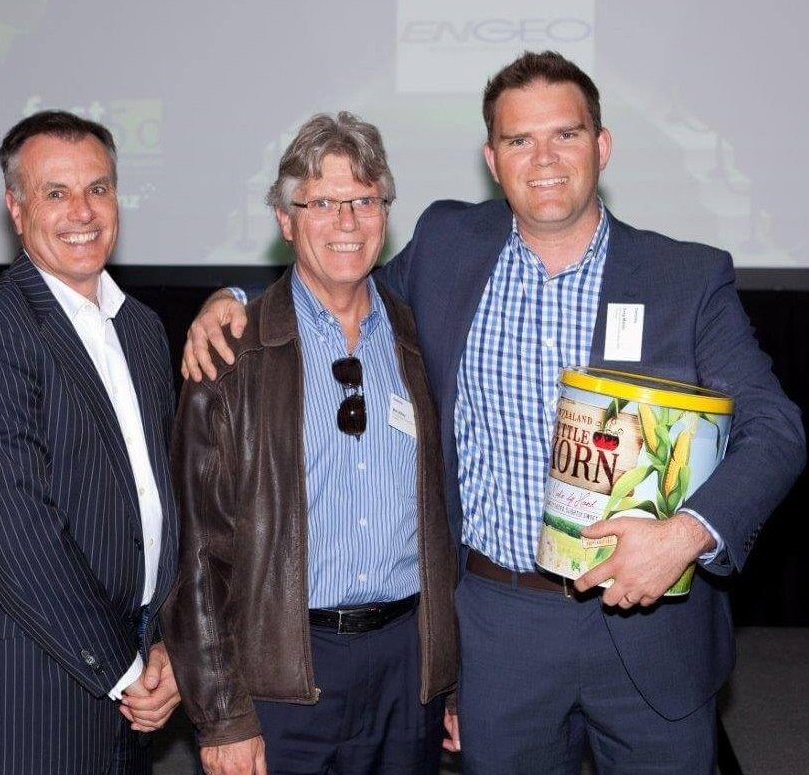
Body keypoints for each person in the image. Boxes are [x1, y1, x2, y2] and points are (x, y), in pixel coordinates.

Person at [179, 53, 805, 774]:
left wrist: (686, 535)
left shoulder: (683, 277)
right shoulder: (449, 248)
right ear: (491, 158)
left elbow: (774, 429)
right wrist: (232, 299)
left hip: (649, 620)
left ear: (601, 146)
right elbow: (339, 278)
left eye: (565, 134)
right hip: (500, 629)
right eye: (518, 140)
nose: (543, 159)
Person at [163, 112, 458, 775]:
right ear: (286, 220)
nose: (347, 221)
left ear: (385, 214)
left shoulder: (419, 341)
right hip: (281, 672)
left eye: (364, 200)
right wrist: (223, 715)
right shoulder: (230, 357)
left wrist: (449, 675)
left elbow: (450, 514)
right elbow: (198, 554)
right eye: (322, 202)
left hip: (406, 667)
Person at [0, 110, 181, 775]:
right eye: (55, 192)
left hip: (139, 678)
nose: (82, 211)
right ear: (16, 208)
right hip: (37, 687)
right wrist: (124, 668)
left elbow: (164, 503)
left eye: (98, 188)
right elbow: (17, 524)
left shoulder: (143, 329)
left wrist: (168, 647)